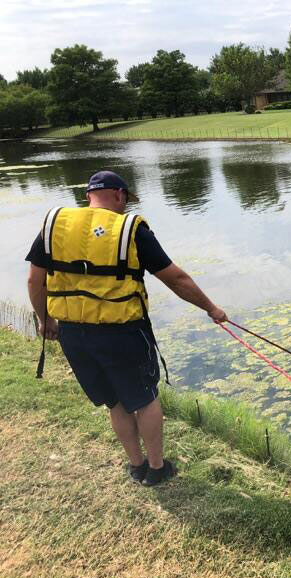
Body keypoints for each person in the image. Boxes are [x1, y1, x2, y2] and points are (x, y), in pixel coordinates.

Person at [25, 170, 227, 486]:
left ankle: (136, 465)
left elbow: (34, 280)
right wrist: (211, 309)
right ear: (120, 195)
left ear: (89, 196)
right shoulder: (131, 230)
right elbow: (176, 279)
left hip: (74, 334)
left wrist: (44, 319)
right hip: (120, 332)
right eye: (125, 201)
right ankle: (157, 468)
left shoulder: (54, 226)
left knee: (115, 401)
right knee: (144, 398)